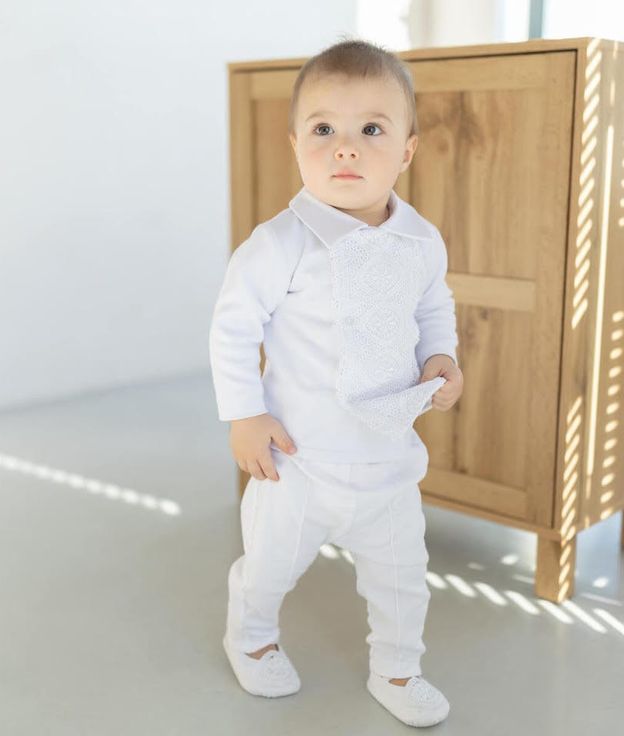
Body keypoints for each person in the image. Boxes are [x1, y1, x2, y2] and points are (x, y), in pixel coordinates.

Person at [209, 36, 464, 728]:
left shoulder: (420, 241)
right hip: (299, 461)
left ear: (406, 149)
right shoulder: (280, 244)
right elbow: (232, 328)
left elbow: (433, 306)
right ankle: (253, 637)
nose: (344, 148)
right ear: (296, 144)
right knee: (268, 564)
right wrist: (244, 414)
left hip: (387, 462)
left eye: (370, 130)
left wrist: (442, 358)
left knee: (402, 579)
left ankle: (398, 667)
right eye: (324, 130)